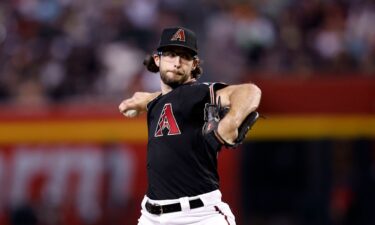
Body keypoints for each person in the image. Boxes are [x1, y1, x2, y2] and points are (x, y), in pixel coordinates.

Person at [118, 26, 261, 225]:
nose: (177, 62)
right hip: (151, 216)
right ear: (157, 60)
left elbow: (249, 90)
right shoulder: (157, 101)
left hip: (200, 216)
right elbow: (166, 98)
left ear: (194, 65)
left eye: (185, 57)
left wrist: (231, 121)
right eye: (170, 54)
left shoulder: (200, 94)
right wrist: (141, 101)